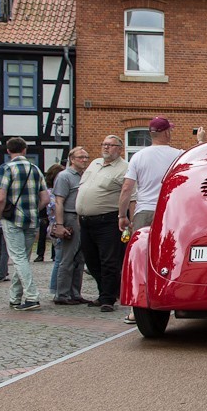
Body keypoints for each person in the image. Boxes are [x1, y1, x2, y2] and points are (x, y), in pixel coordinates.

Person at [118, 118, 205, 323]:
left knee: (140, 258)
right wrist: (200, 141)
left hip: (144, 210)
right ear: (166, 133)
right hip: (170, 212)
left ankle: (137, 309)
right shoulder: (178, 155)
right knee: (171, 256)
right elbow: (200, 165)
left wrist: (122, 215)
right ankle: (172, 296)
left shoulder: (138, 156)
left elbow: (127, 188)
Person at [0, 137, 49, 311]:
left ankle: (32, 296)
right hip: (32, 219)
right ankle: (15, 297)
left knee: (18, 258)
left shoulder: (6, 168)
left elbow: (1, 198)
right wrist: (33, 210)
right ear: (25, 150)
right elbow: (46, 199)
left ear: (8, 151)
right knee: (23, 259)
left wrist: (1, 215)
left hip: (12, 219)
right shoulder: (35, 169)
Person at [77, 134, 129, 313]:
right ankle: (104, 292)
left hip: (108, 220)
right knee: (91, 261)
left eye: (111, 145)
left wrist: (127, 219)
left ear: (119, 149)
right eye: (104, 144)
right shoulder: (95, 163)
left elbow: (130, 195)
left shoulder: (124, 168)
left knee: (109, 261)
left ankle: (108, 298)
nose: (106, 147)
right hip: (86, 221)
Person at [51, 148, 90, 305]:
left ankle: (75, 293)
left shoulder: (85, 175)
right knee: (67, 258)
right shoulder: (64, 176)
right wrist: (60, 225)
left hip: (82, 217)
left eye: (86, 157)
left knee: (80, 258)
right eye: (81, 157)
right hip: (70, 217)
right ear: (72, 159)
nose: (84, 160)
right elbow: (58, 201)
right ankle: (62, 294)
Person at [34, 163, 63, 262]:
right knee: (43, 235)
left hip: (51, 217)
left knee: (54, 235)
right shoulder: (49, 191)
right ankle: (41, 254)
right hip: (46, 216)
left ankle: (53, 255)